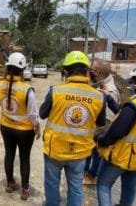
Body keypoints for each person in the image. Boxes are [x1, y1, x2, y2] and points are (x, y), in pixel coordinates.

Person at [39, 51, 106, 206]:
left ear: (66, 71)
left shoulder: (55, 91)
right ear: (86, 72)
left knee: (51, 184)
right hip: (80, 152)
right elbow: (101, 122)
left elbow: (42, 114)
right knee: (76, 187)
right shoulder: (99, 97)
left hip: (54, 149)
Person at [96, 63, 136, 206]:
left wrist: (101, 140)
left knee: (103, 185)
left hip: (122, 156)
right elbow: (124, 114)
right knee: (129, 186)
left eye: (135, 80)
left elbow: (115, 133)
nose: (133, 83)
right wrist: (109, 98)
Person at [0, 52, 41, 201]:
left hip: (6, 127)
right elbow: (33, 114)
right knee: (24, 158)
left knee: (9, 154)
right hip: (25, 131)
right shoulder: (26, 89)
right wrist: (37, 127)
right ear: (22, 70)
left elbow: (0, 103)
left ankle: (10, 184)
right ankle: (25, 189)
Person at [83, 59, 120, 185]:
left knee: (97, 154)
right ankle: (86, 172)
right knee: (90, 151)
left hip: (104, 126)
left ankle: (92, 176)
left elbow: (109, 110)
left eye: (91, 69)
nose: (89, 71)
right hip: (95, 125)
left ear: (97, 72)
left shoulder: (110, 90)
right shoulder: (100, 83)